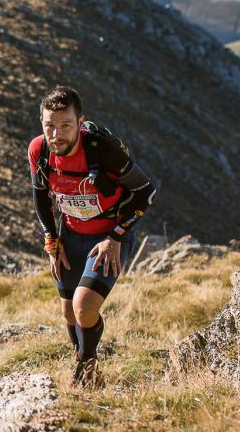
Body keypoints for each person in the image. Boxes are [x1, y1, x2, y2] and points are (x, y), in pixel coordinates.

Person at [28, 85, 157, 387]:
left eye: (65, 126)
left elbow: (145, 192)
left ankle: (86, 368)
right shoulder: (39, 150)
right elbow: (40, 197)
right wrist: (52, 240)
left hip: (109, 237)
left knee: (84, 306)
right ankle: (84, 362)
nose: (56, 135)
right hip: (70, 234)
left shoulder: (102, 150)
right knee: (68, 312)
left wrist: (116, 237)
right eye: (50, 126)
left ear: (80, 122)